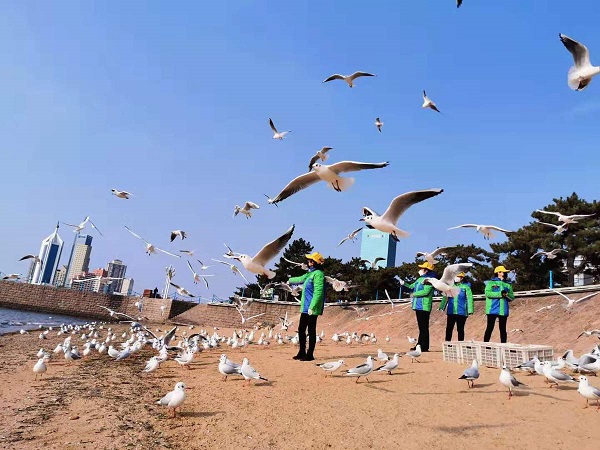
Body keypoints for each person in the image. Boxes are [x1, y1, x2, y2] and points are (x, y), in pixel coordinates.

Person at [288, 252, 326, 361]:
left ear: (315, 263)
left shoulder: (318, 274)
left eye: (310, 260)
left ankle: (310, 354)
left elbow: (318, 292)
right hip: (305, 307)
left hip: (312, 308)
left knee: (311, 330)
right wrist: (289, 280)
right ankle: (301, 352)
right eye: (308, 260)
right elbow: (300, 279)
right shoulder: (310, 273)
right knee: (301, 329)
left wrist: (312, 307)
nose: (308, 262)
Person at [399, 262, 436, 352]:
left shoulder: (430, 280)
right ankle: (420, 345)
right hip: (418, 306)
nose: (420, 270)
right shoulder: (420, 279)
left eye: (422, 268)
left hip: (424, 306)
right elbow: (412, 286)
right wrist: (404, 284)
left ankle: (423, 346)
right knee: (421, 327)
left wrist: (413, 294)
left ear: (426, 270)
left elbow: (425, 292)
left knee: (424, 327)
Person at [483, 266, 515, 343]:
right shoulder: (490, 283)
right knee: (490, 327)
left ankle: (504, 346)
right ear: (498, 273)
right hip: (492, 309)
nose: (504, 273)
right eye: (503, 271)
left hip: (503, 310)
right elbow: (488, 293)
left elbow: (512, 297)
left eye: (505, 272)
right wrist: (500, 294)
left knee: (503, 329)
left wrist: (506, 295)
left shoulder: (508, 284)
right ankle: (485, 345)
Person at [439, 272, 473, 341]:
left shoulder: (466, 287)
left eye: (458, 276)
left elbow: (469, 299)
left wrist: (470, 310)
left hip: (462, 312)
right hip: (451, 311)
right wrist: (442, 306)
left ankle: (461, 344)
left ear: (462, 278)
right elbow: (445, 297)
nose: (456, 278)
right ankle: (448, 344)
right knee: (449, 328)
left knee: (460, 329)